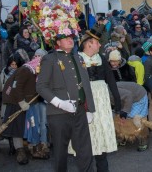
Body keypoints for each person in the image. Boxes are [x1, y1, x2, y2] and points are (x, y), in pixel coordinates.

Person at [36, 35, 95, 172]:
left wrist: (88, 109)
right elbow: (41, 86)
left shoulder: (78, 58)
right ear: (57, 42)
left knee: (85, 150)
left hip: (79, 110)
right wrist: (59, 103)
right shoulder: (49, 59)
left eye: (71, 38)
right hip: (58, 114)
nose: (70, 41)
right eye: (66, 38)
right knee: (60, 153)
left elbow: (84, 85)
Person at [76, 29, 121, 172]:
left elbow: (111, 81)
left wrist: (118, 102)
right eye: (97, 43)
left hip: (101, 102)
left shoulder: (101, 58)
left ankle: (103, 169)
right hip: (84, 100)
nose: (100, 46)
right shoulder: (77, 59)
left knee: (101, 134)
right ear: (88, 44)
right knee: (86, 136)